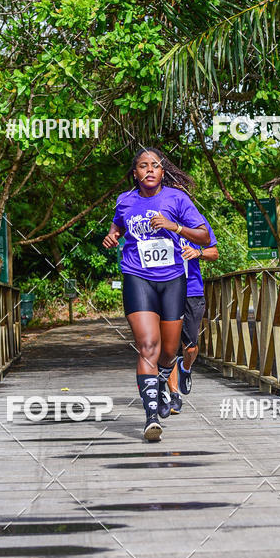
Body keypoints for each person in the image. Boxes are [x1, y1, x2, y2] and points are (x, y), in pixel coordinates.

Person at [102, 148, 210, 441]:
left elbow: (204, 236)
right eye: (142, 166)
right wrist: (112, 235)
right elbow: (117, 224)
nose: (149, 170)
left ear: (163, 172)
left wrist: (174, 226)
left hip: (173, 280)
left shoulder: (177, 198)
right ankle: (150, 418)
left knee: (169, 351)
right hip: (138, 277)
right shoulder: (125, 201)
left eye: (155, 166)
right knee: (148, 345)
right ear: (134, 172)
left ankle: (163, 381)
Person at [167, 222, 219, 414]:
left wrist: (198, 253)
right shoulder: (157, 218)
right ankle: (174, 396)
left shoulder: (197, 222)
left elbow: (214, 253)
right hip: (167, 290)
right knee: (169, 346)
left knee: (191, 347)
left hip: (192, 290)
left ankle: (186, 367)